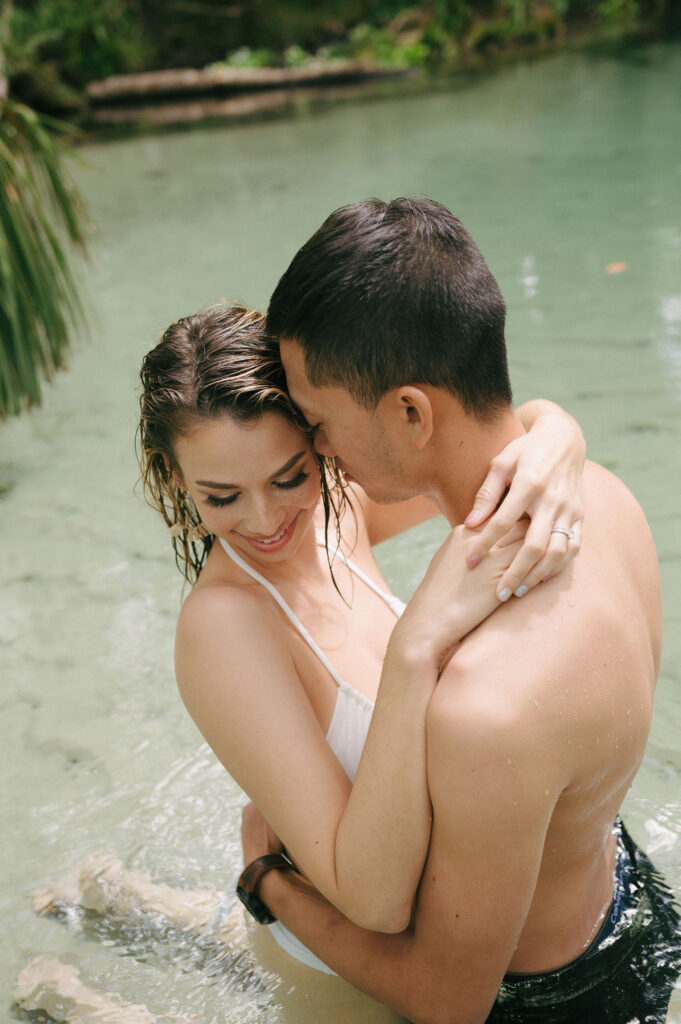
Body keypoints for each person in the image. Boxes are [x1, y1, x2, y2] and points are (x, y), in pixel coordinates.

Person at [19, 301, 587, 1022]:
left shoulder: (339, 510)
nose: (264, 520)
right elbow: (374, 904)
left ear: (322, 439)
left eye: (289, 475)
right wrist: (415, 655)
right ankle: (69, 1000)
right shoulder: (226, 629)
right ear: (172, 477)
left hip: (438, 928)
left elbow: (483, 450)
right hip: (347, 969)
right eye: (220, 496)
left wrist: (557, 431)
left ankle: (122, 893)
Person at [231, 196, 681, 1024]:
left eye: (321, 420)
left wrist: (268, 886)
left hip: (545, 1003)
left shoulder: (484, 709)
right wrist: (558, 425)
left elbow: (447, 1002)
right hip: (628, 900)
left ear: (409, 412)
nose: (316, 447)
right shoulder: (602, 499)